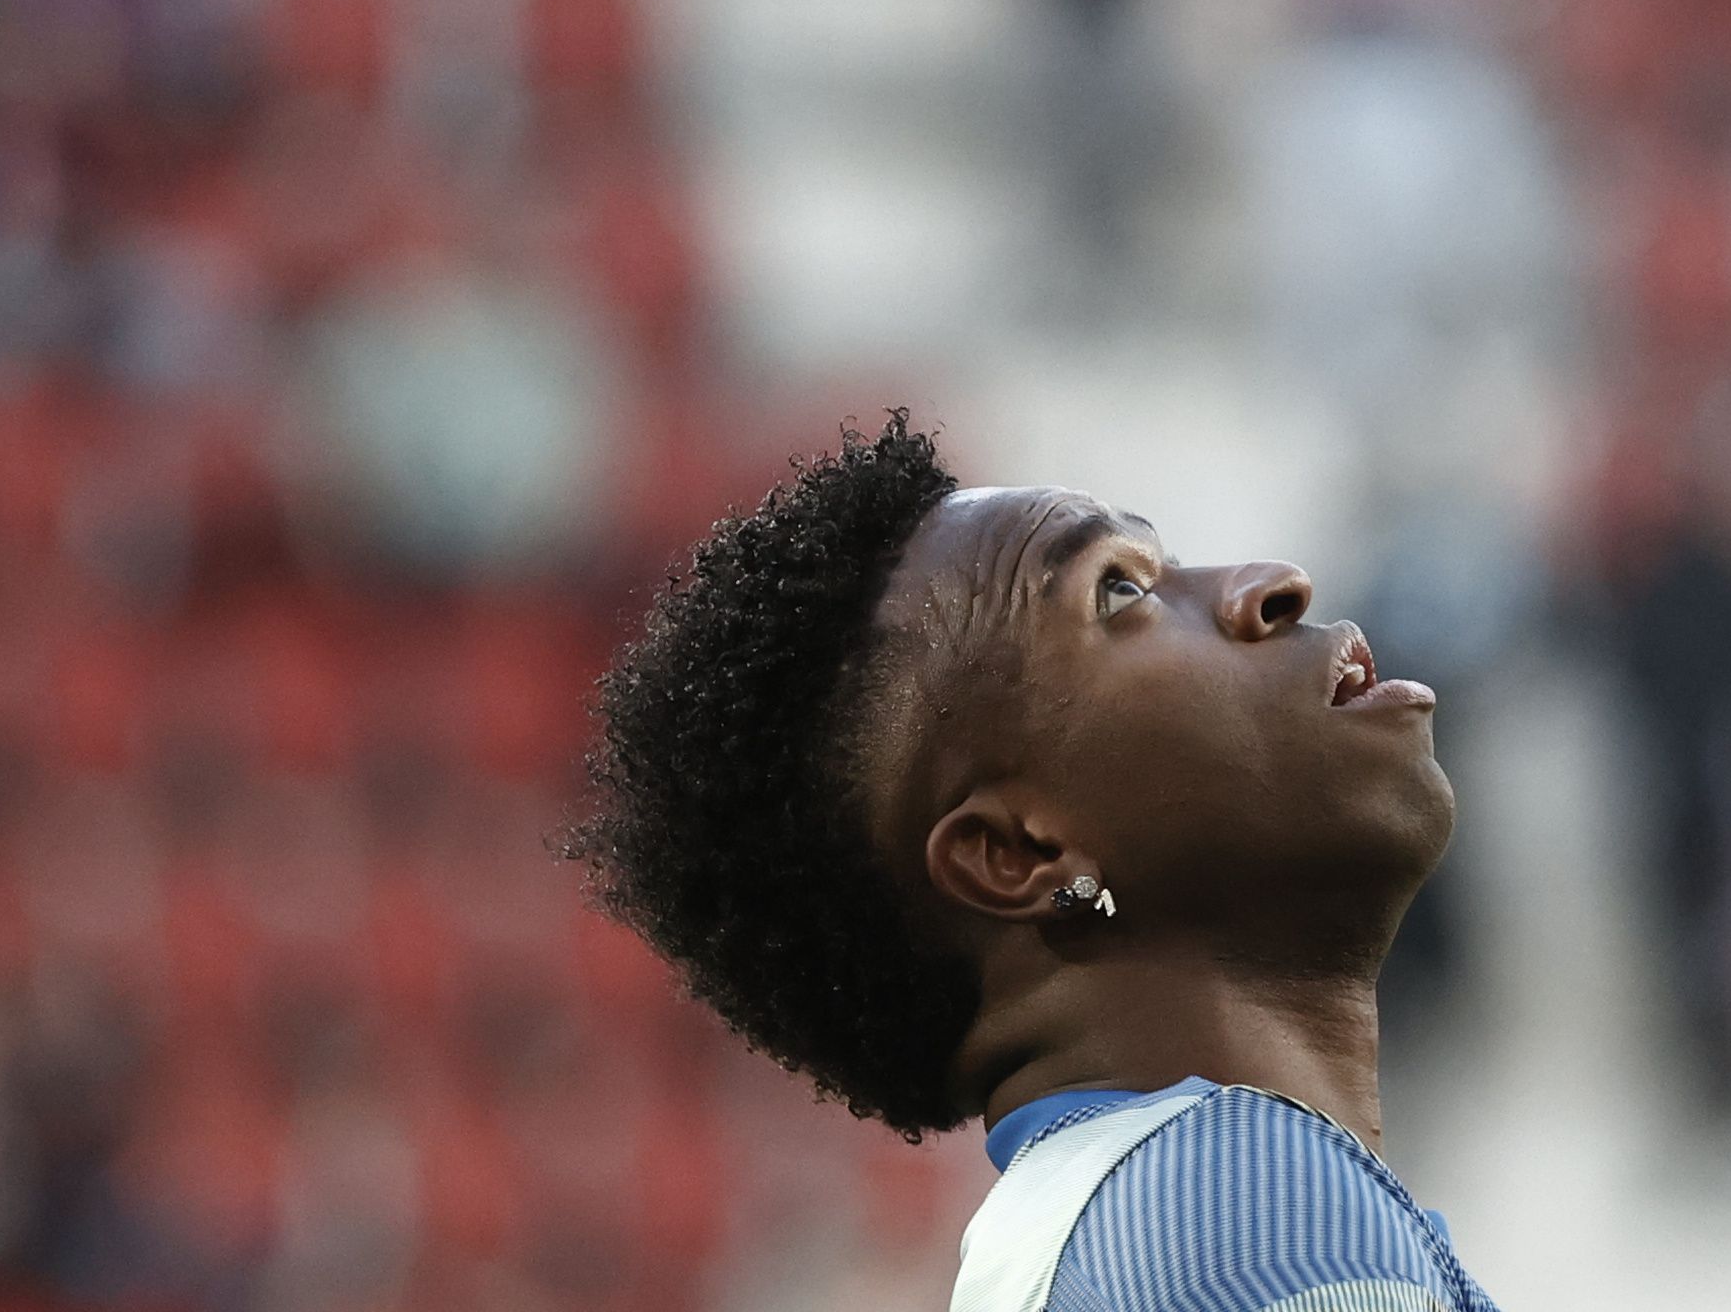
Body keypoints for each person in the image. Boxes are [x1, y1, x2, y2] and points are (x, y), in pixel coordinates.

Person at [569, 415, 1493, 1311]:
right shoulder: (1241, 1219)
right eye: (1118, 594)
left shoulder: (1131, 1225)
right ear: (1016, 854)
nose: (1268, 584)